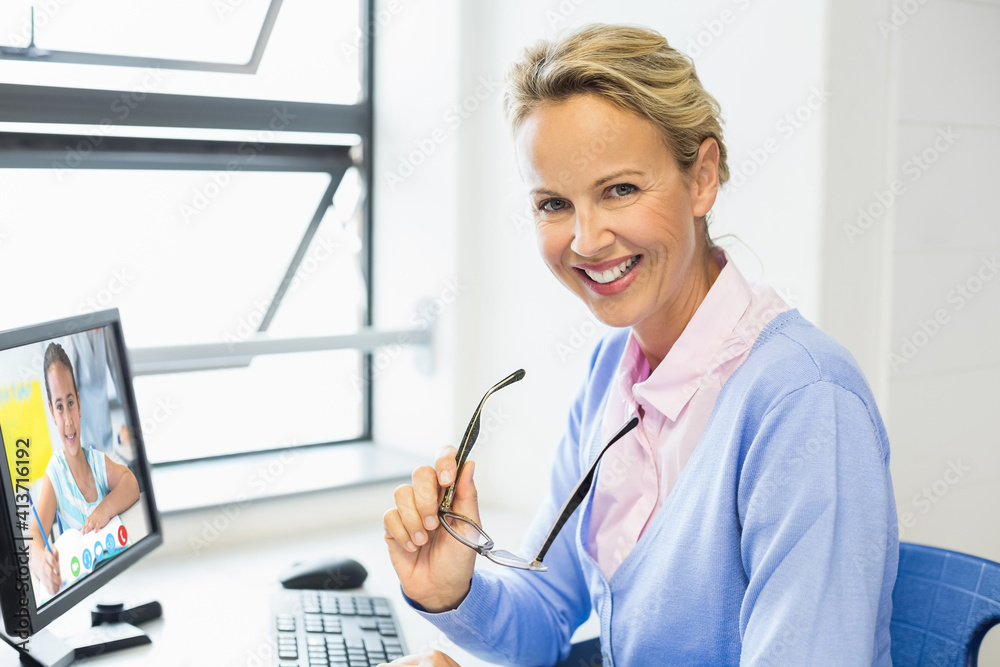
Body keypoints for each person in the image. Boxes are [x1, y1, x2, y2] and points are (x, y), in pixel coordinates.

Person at [382, 24, 898, 666]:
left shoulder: (807, 404)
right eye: (553, 203)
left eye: (619, 189)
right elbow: (547, 616)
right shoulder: (613, 370)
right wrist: (452, 590)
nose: (587, 240)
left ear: (702, 177)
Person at [28, 341, 140, 596]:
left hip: (121, 583)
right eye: (59, 407)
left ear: (78, 403)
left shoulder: (97, 461)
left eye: (70, 403)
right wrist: (43, 567)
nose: (68, 420)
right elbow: (33, 535)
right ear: (52, 413)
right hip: (86, 594)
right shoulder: (55, 473)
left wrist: (105, 509)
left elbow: (131, 483)